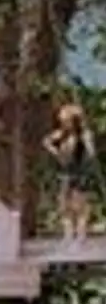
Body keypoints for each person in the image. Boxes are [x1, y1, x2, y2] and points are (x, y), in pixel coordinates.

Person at [45, 98, 99, 241]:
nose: (64, 124)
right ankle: (68, 233)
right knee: (63, 204)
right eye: (63, 122)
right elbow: (46, 141)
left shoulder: (83, 135)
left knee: (80, 205)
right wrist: (56, 153)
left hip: (80, 172)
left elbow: (91, 152)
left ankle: (81, 234)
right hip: (65, 173)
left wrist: (88, 150)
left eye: (67, 121)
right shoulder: (62, 134)